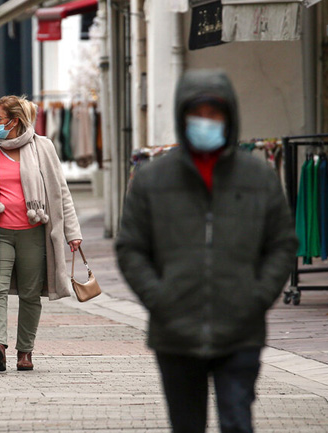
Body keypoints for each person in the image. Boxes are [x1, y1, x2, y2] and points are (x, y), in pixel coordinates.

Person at [115, 70, 298, 433]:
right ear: (182, 117)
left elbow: (282, 243)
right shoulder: (153, 180)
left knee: (236, 422)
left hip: (240, 330)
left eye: (215, 113)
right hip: (175, 333)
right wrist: (161, 297)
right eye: (197, 113)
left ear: (229, 117)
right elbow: (131, 248)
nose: (206, 121)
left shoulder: (258, 176)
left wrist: (257, 296)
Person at [0, 95, 83, 372]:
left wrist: (72, 233)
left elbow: (62, 194)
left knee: (29, 294)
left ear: (15, 121)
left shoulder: (43, 148)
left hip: (34, 233)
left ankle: (25, 351)